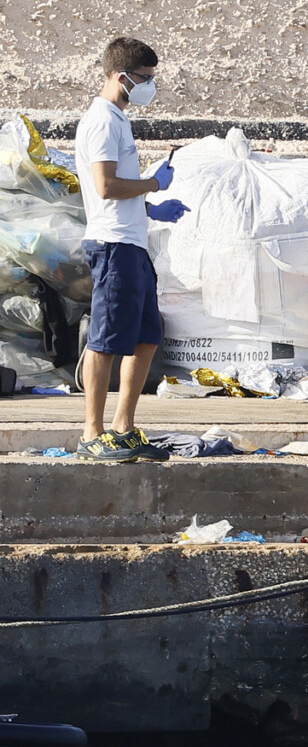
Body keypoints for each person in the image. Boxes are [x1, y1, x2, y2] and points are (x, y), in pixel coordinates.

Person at [74, 36, 185, 464]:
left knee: (146, 337)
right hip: (113, 244)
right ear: (122, 78)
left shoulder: (119, 120)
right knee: (106, 340)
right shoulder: (102, 120)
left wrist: (154, 207)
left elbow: (119, 190)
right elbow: (105, 186)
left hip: (132, 241)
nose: (149, 87)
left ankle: (123, 427)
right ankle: (92, 433)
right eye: (145, 79)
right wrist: (155, 183)